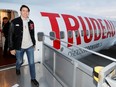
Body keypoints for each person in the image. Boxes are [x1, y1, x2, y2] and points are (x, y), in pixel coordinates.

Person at [8, 5, 39, 86]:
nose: (25, 12)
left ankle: (33, 78)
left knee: (31, 63)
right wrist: (11, 48)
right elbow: (10, 35)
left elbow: (32, 33)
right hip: (19, 47)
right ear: (20, 11)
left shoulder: (31, 22)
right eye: (23, 10)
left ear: (28, 12)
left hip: (29, 46)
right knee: (20, 61)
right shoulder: (14, 22)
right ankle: (17, 68)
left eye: (27, 11)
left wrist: (34, 43)